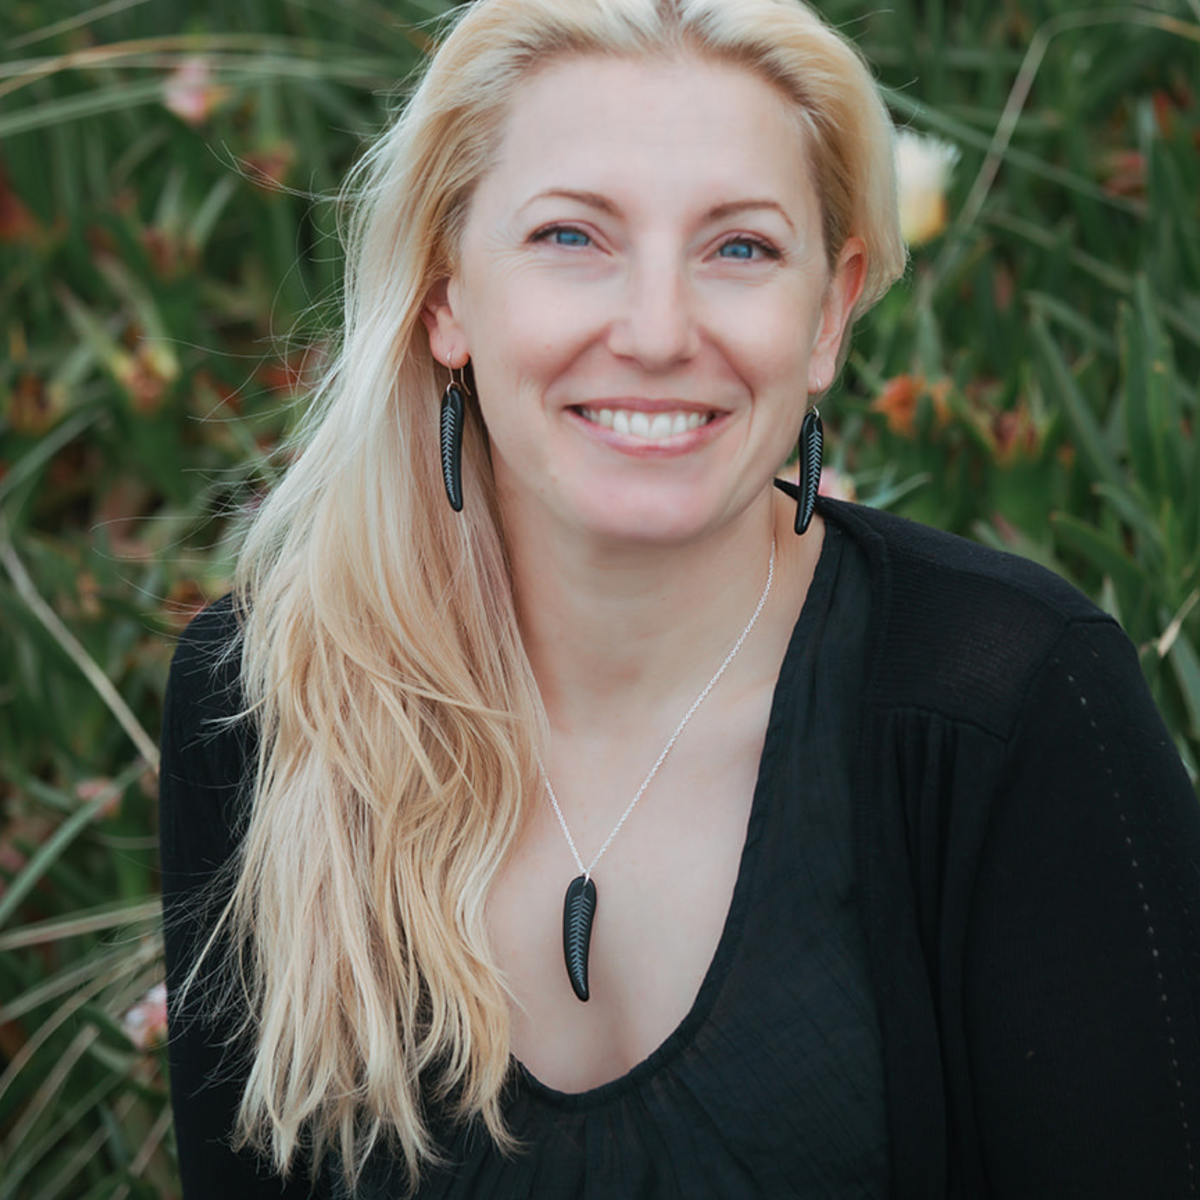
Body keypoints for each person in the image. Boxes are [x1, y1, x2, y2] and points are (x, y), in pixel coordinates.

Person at [159, 0, 1200, 1196]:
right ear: (446, 297)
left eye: (740, 248)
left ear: (831, 311)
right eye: (571, 237)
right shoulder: (270, 702)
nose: (657, 331)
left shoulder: (1012, 705)